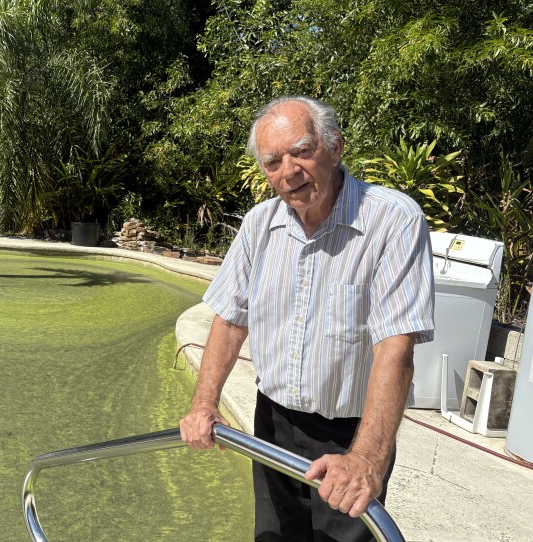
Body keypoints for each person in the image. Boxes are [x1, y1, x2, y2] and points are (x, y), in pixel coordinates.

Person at [179, 95, 435, 541]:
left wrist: (368, 460)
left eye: (302, 151)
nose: (289, 172)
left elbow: (395, 345)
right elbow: (229, 319)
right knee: (273, 537)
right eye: (273, 161)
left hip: (350, 434)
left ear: (335, 146)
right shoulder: (260, 224)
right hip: (272, 423)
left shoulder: (393, 220)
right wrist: (204, 403)